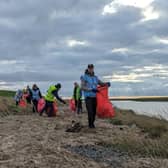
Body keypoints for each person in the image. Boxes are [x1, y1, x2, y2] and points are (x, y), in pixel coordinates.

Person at [80, 64, 110, 128]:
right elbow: (82, 87)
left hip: (95, 98)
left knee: (93, 112)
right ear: (88, 69)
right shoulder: (84, 77)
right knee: (90, 111)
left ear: (93, 69)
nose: (91, 69)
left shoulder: (95, 77)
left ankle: (92, 123)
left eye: (92, 68)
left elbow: (101, 84)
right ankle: (90, 124)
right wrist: (91, 89)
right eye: (89, 68)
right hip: (88, 98)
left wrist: (106, 83)